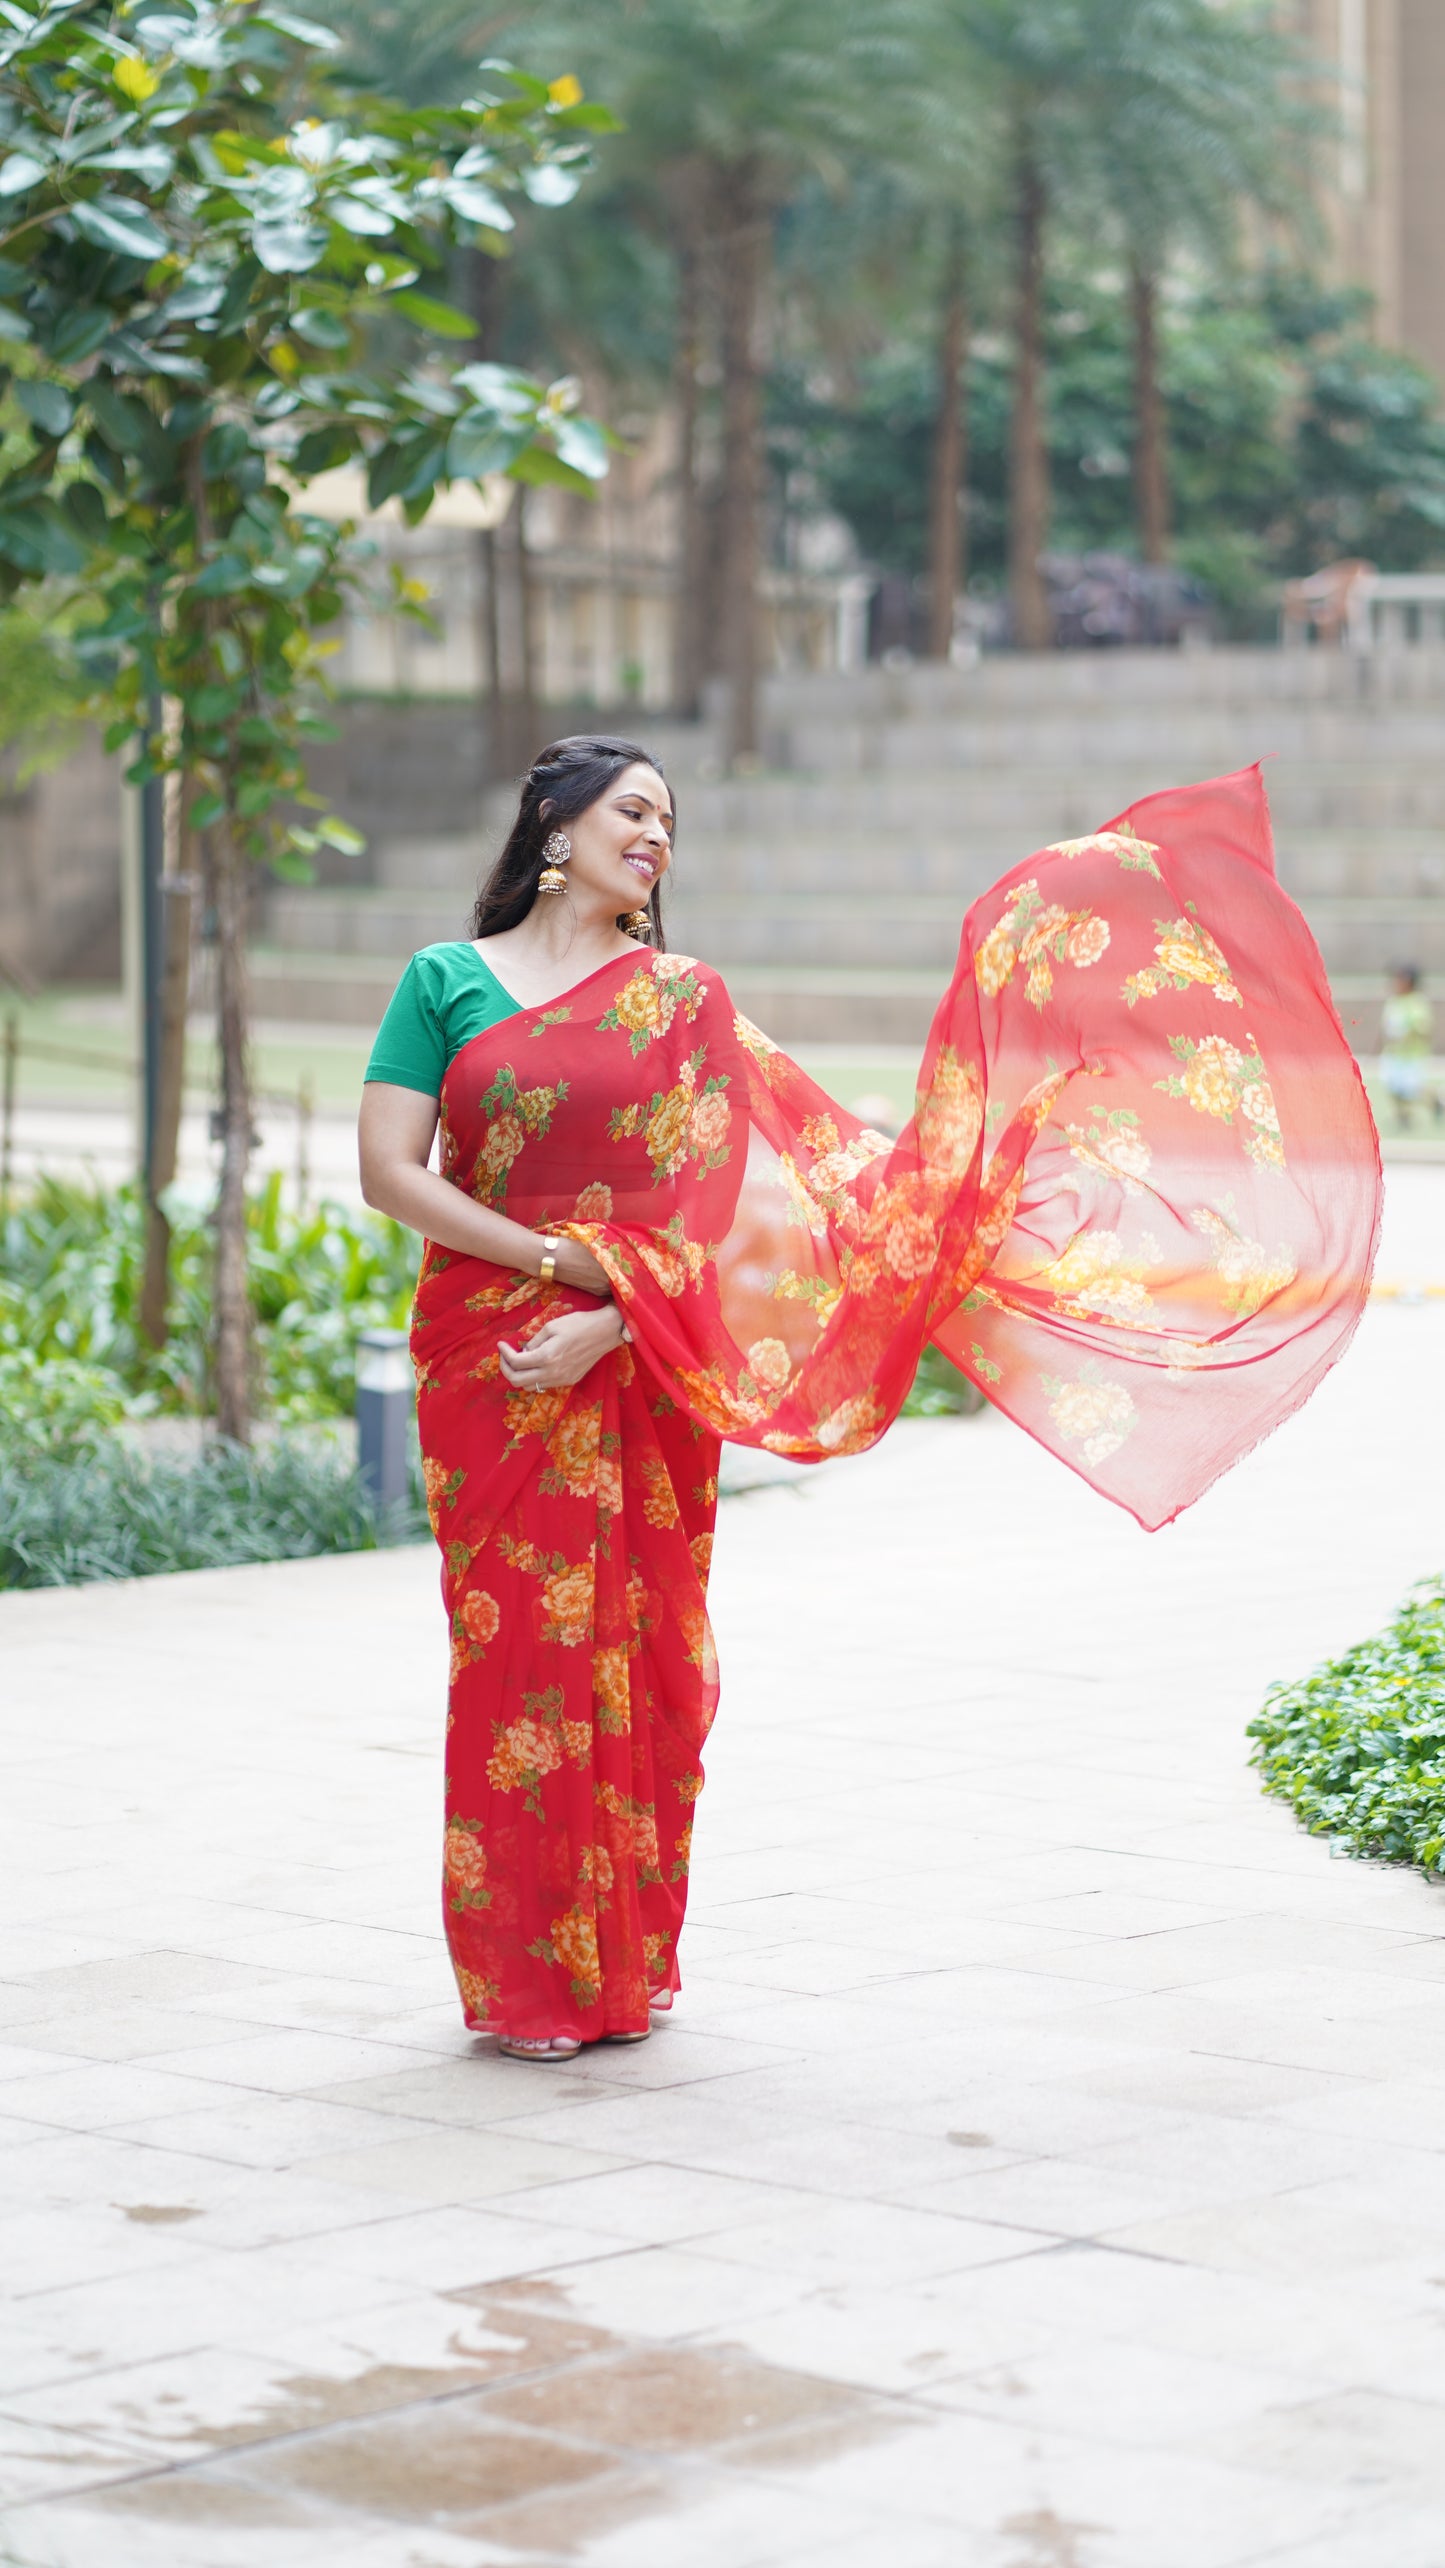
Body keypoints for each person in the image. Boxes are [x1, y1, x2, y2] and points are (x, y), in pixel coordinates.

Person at [358, 735, 1380, 2063]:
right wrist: (550, 1268)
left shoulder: (684, 1002)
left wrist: (606, 1321)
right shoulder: (442, 983)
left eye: (672, 818)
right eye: (632, 810)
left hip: (628, 1359)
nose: (658, 835)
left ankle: (615, 1970)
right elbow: (393, 1169)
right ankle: (525, 1983)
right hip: (487, 1366)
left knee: (635, 1653)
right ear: (554, 826)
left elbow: (704, 1215)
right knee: (513, 1665)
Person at [1378, 966, 1436, 1130]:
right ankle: (1402, 1117)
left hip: (1411, 1055)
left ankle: (1435, 1102)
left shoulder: (1417, 1002)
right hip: (1393, 1053)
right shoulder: (1393, 1001)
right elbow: (1387, 1027)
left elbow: (1422, 1028)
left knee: (1412, 1089)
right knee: (1393, 1086)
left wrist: (1409, 1036)